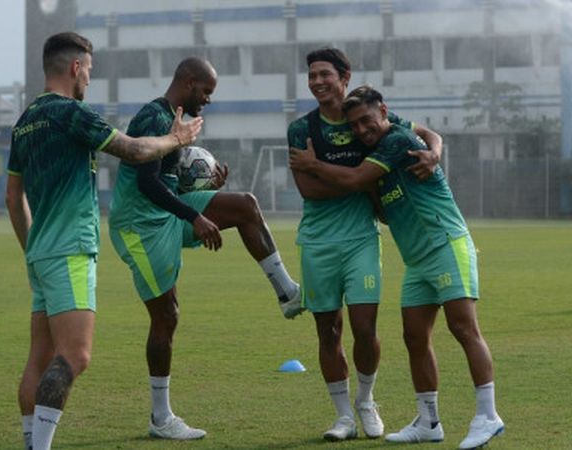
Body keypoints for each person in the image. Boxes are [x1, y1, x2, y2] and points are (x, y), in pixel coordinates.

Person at [6, 32, 203, 450]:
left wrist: (32, 250)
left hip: (41, 253)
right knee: (75, 356)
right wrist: (177, 139)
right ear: (75, 67)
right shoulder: (71, 113)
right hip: (71, 249)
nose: (89, 80)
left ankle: (30, 443)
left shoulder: (25, 121)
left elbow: (12, 197)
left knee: (39, 359)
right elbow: (132, 150)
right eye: (89, 71)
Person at [289, 85, 504, 450]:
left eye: (366, 120)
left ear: (384, 112)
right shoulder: (379, 151)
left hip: (445, 245)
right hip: (417, 260)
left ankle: (488, 415)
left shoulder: (395, 139)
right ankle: (428, 420)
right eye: (354, 124)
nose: (361, 129)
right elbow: (385, 198)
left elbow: (357, 178)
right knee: (415, 337)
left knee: (464, 329)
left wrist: (312, 165)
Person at [107, 57, 301, 440]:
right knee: (167, 316)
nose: (209, 100)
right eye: (207, 91)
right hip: (139, 227)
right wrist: (194, 216)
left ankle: (287, 293)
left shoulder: (178, 119)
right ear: (189, 82)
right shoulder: (153, 117)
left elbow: (169, 180)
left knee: (244, 204)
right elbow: (147, 182)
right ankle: (160, 419)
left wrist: (205, 185)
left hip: (166, 213)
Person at [287, 48, 443, 442]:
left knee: (365, 328)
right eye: (312, 75)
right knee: (328, 332)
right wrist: (360, 179)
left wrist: (435, 155)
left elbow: (424, 134)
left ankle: (366, 401)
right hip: (317, 241)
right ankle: (342, 417)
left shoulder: (367, 119)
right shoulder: (301, 129)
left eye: (325, 74)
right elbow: (307, 188)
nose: (317, 81)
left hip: (361, 238)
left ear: (344, 77)